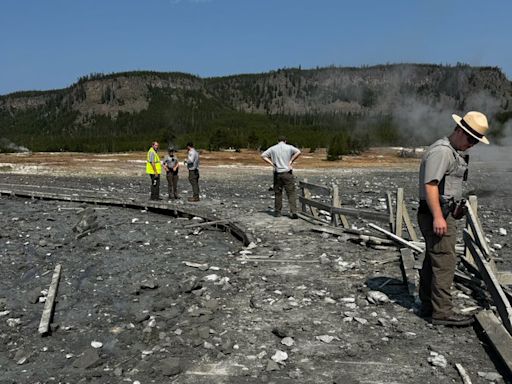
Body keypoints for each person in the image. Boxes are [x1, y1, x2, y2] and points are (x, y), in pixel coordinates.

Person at [417, 111, 490, 326]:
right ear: (459, 130)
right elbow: (430, 185)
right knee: (445, 262)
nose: (472, 144)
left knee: (434, 259)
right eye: (470, 139)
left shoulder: (452, 152)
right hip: (436, 213)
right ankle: (442, 313)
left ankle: (429, 305)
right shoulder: (443, 152)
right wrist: (439, 216)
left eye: (475, 141)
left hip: (442, 212)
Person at [261, 136, 301, 219]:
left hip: (277, 173)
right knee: (291, 193)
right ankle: (293, 211)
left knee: (278, 193)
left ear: (277, 141)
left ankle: (277, 212)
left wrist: (271, 163)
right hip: (287, 172)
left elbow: (263, 155)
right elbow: (298, 152)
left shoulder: (273, 148)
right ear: (285, 141)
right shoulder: (289, 147)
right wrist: (291, 161)